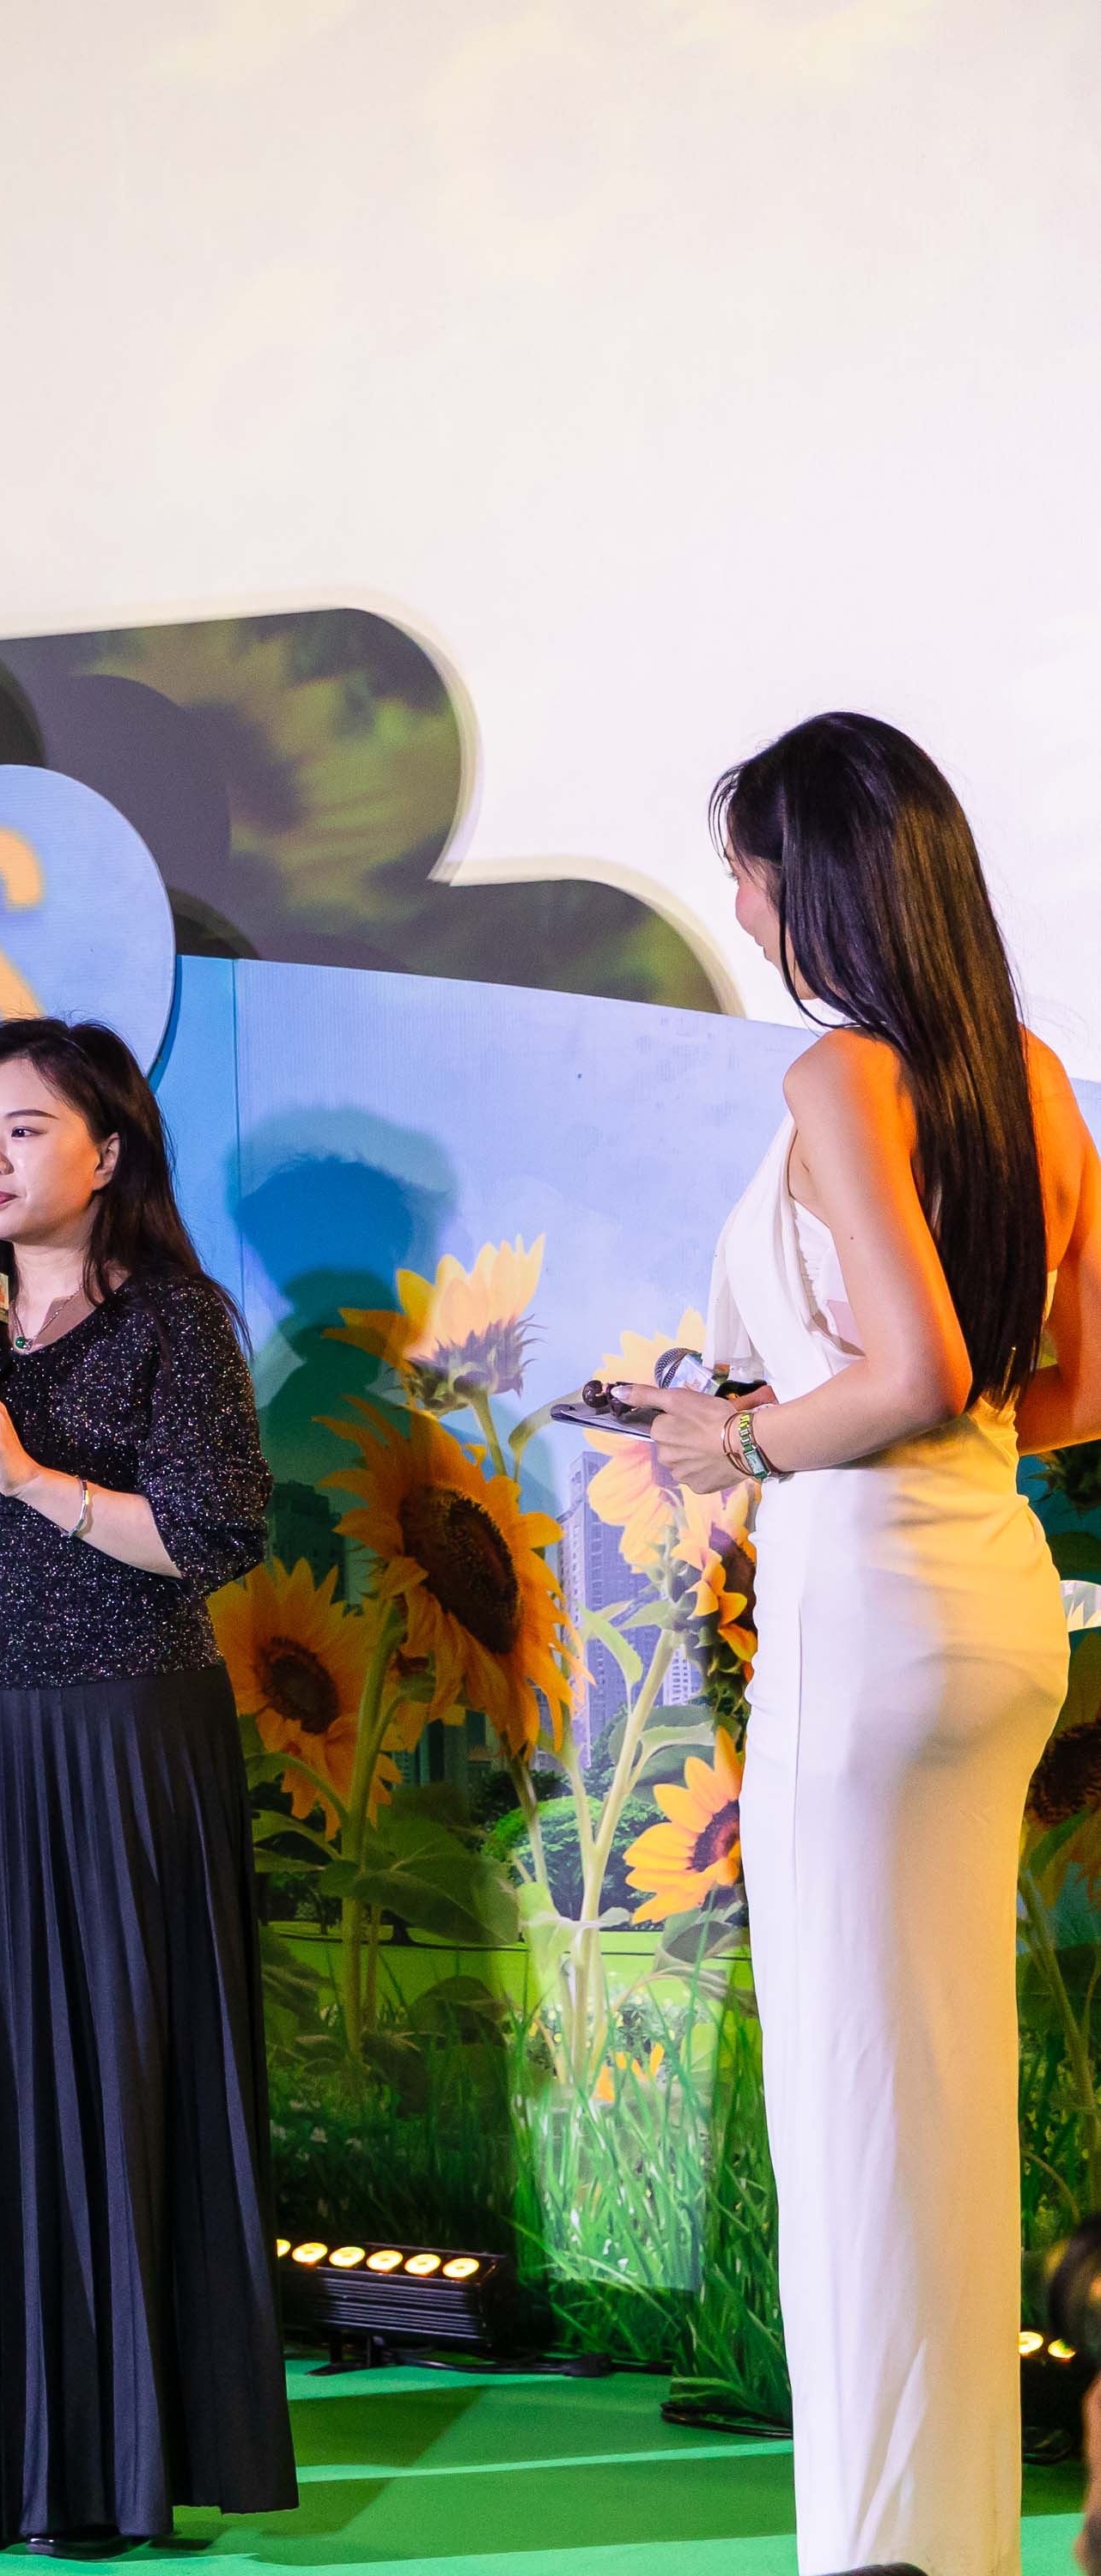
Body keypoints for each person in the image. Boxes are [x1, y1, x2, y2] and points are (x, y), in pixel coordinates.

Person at [626, 714, 1096, 2576]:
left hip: (867, 1616)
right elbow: (1061, 1395)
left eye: (748, 871)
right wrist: (803, 1407)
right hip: (996, 1602)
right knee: (942, 2084)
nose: (742, 908)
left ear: (812, 878)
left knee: (851, 2101)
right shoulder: (1034, 1078)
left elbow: (912, 1370)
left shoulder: (841, 1073)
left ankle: (883, 2550)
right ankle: (952, 2535)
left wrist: (736, 1440)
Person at [0, 1016, 292, 2556]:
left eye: (26, 1129)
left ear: (109, 1153)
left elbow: (214, 1532)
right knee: (0, 2085)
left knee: (124, 2078)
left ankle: (117, 2465)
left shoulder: (175, 1322)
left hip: (131, 1739)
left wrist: (33, 1478)